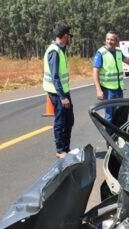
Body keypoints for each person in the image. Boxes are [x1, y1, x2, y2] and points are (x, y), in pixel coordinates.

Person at [92, 31, 129, 124]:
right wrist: (98, 90)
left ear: (116, 41)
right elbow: (95, 72)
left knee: (119, 114)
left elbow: (127, 60)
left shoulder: (118, 51)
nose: (109, 41)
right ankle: (109, 137)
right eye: (108, 39)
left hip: (118, 89)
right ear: (105, 40)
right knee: (109, 116)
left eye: (112, 39)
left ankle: (117, 136)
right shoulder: (101, 53)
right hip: (108, 90)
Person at [43, 23, 74, 158]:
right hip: (58, 93)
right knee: (61, 121)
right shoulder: (54, 51)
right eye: (69, 36)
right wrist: (62, 97)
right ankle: (60, 150)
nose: (70, 39)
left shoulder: (61, 49)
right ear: (64, 36)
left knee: (69, 120)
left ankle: (66, 148)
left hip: (63, 92)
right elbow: (55, 77)